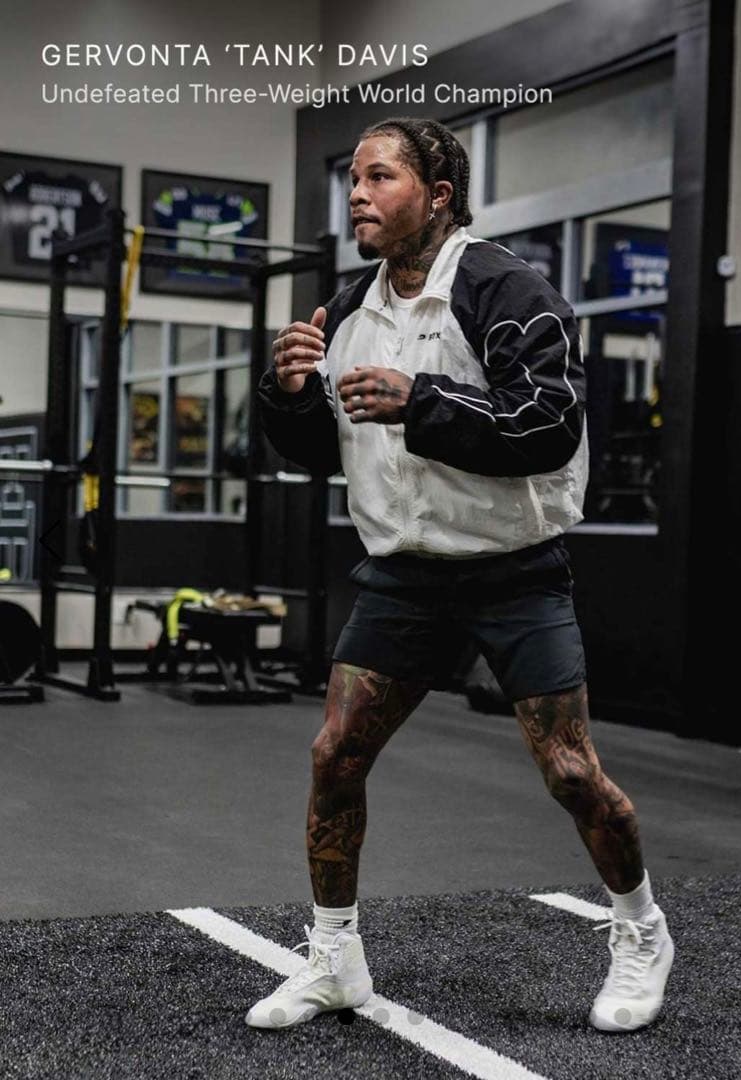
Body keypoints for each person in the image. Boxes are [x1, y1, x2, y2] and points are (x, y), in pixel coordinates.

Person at [247, 116, 674, 1034]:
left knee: (570, 772)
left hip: (512, 571)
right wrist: (288, 392)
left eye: (379, 178)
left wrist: (421, 401)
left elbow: (546, 426)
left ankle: (641, 930)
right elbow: (320, 448)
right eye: (352, 179)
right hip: (404, 573)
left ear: (437, 196)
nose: (357, 194)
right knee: (334, 757)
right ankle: (335, 959)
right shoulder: (349, 309)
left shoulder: (508, 291)